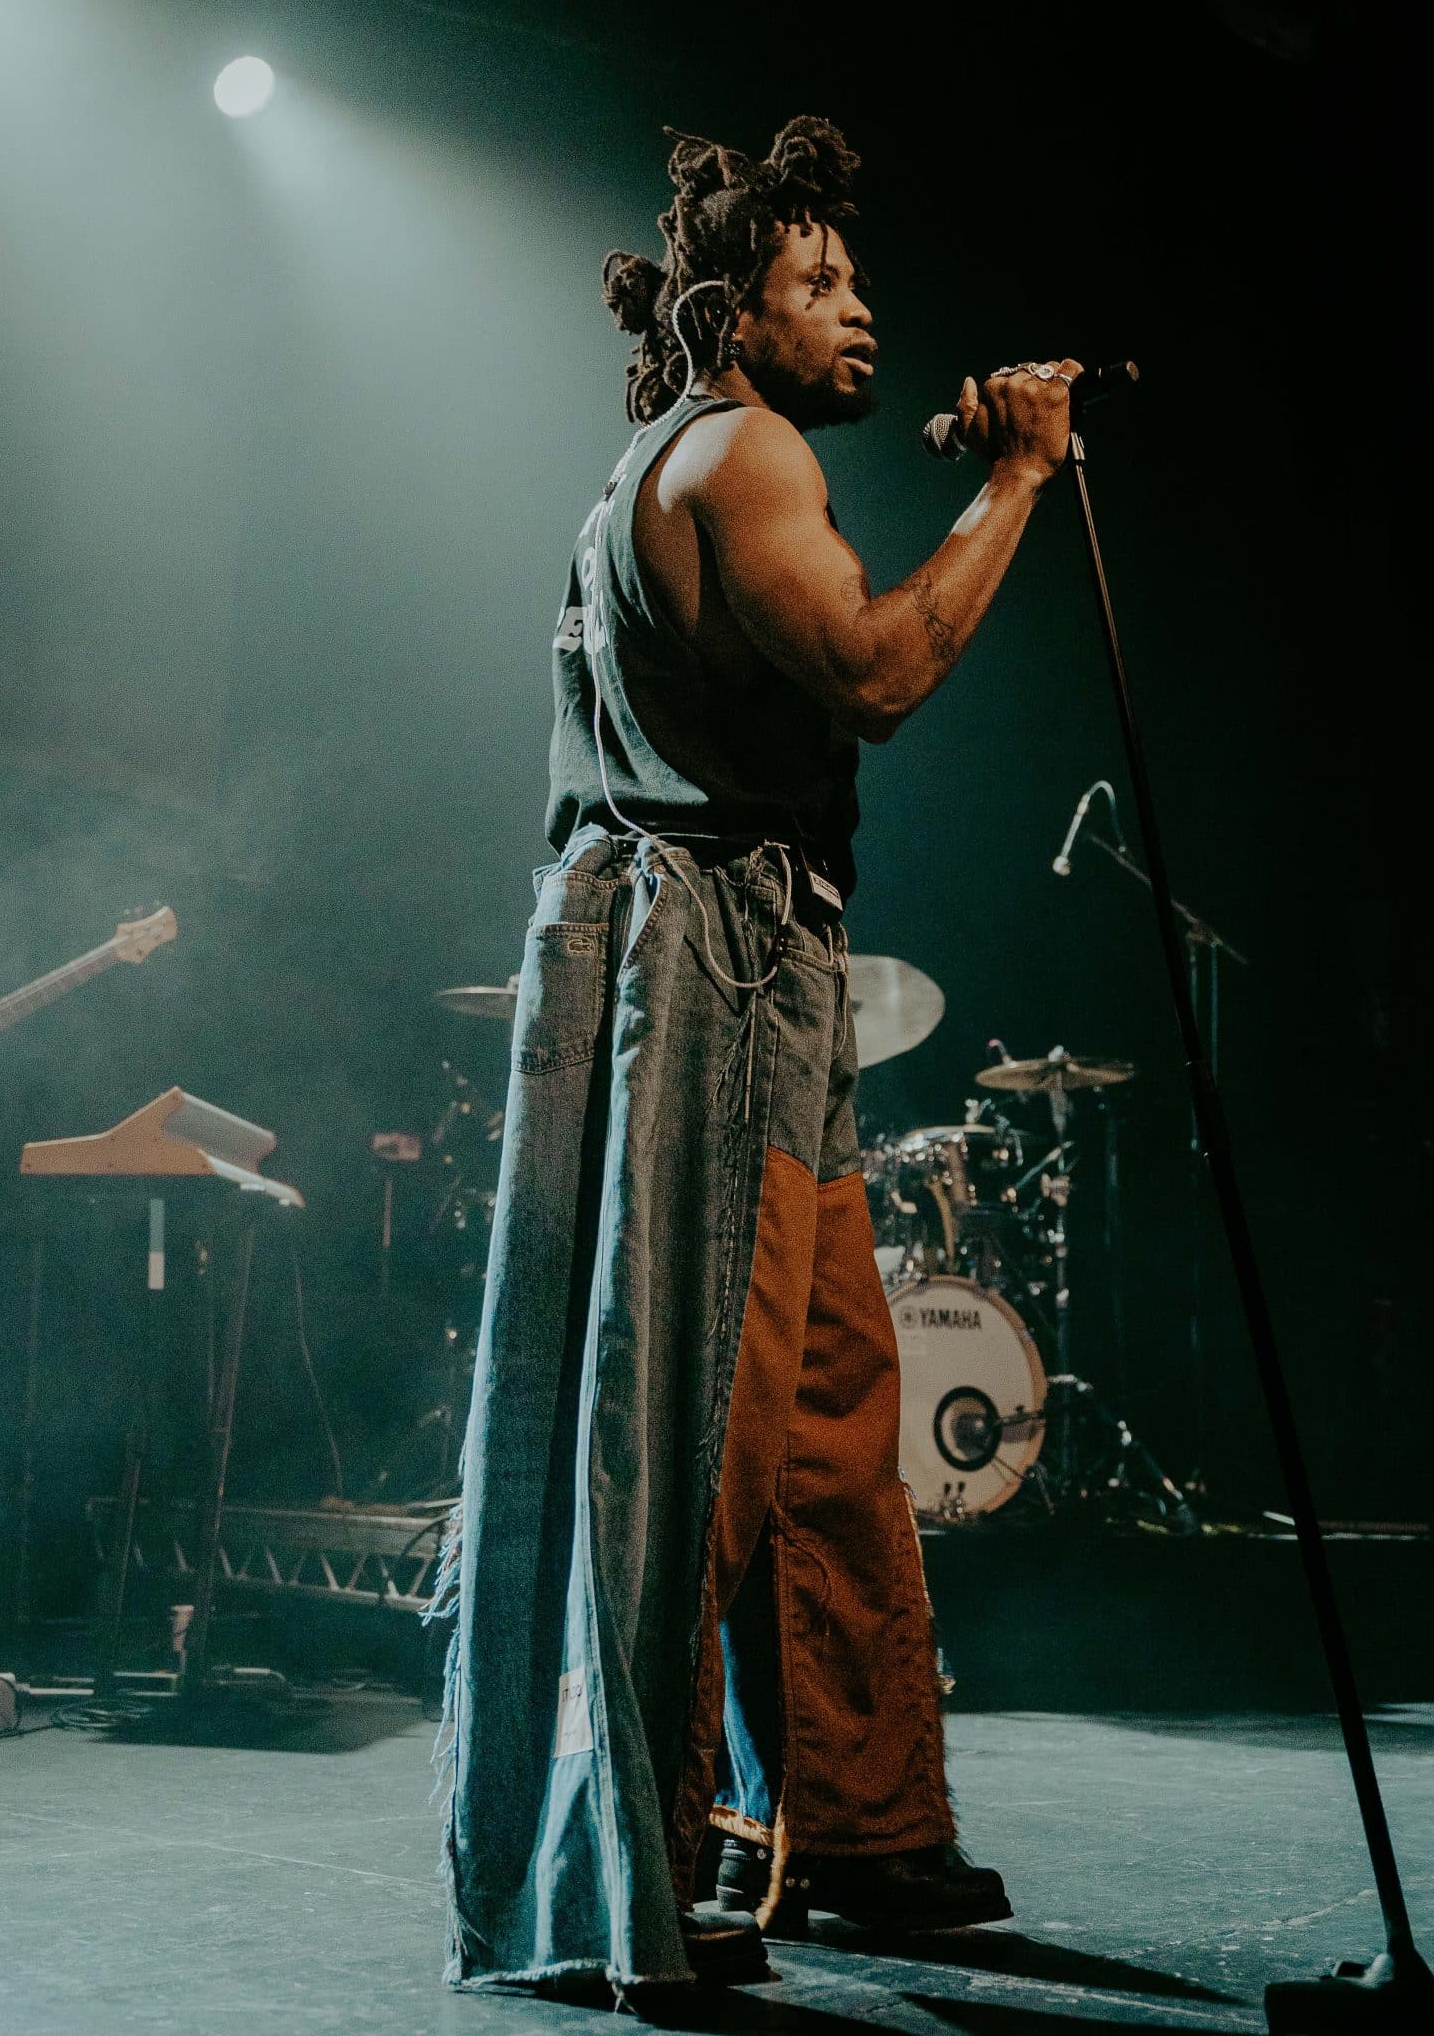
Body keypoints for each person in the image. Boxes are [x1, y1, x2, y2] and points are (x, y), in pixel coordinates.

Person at [441, 117, 1077, 1997]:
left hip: (758, 953)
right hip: (709, 953)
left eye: (856, 278)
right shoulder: (738, 450)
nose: (860, 308)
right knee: (695, 1410)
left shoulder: (678, 463)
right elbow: (878, 670)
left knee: (823, 1402)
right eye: (819, 281)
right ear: (734, 316)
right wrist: (1018, 478)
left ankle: (859, 1830)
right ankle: (629, 1857)